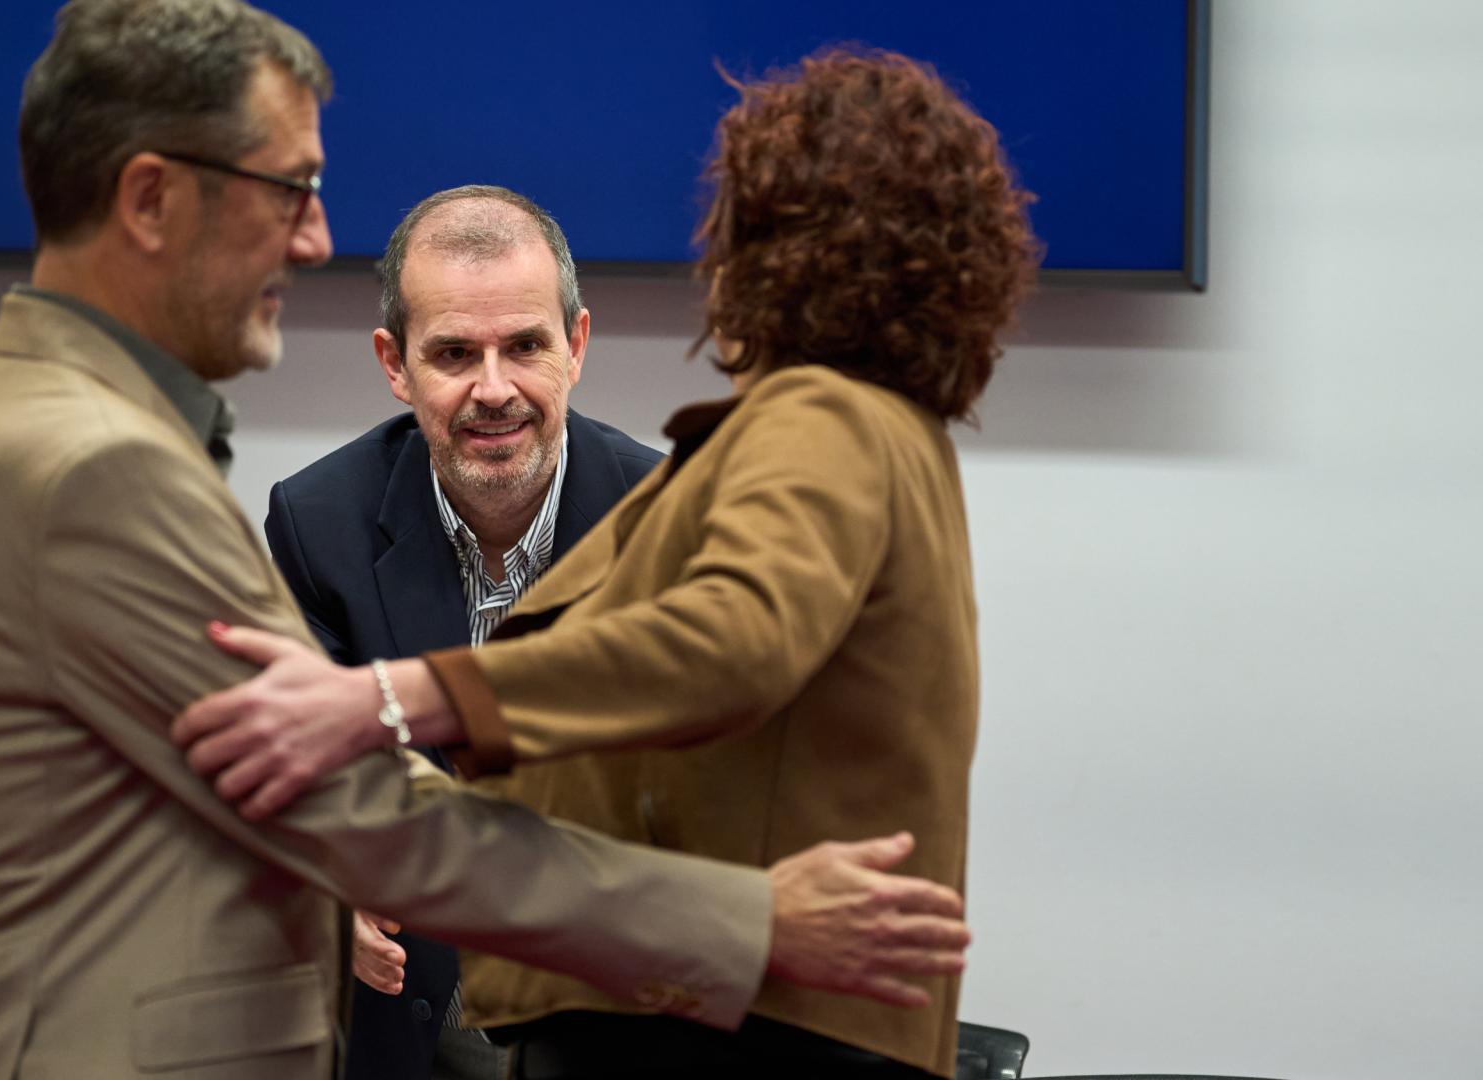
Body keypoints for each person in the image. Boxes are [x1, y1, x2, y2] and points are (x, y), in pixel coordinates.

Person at [0, 5, 975, 1077]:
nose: (315, 237)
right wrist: (750, 922)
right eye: (290, 189)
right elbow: (362, 813)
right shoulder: (103, 465)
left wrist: (389, 698)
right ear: (151, 199)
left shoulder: (52, 430)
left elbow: (726, 645)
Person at [174, 45, 1039, 1079]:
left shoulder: (824, 420)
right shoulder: (894, 432)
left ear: (764, 249)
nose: (494, 387)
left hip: (736, 1032)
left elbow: (728, 643)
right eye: (455, 353)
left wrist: (388, 700)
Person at [265, 185, 662, 1080]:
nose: (493, 389)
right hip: (412, 1024)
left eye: (525, 345)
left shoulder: (668, 525)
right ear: (395, 364)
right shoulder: (318, 524)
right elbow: (296, 775)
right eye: (453, 353)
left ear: (576, 346)